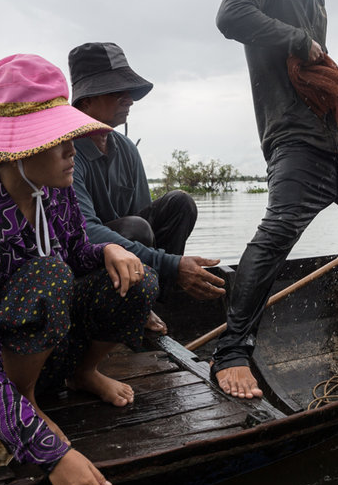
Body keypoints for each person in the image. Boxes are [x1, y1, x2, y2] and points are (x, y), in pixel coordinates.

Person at [0, 54, 157, 485]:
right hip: (4, 373)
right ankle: (27, 403)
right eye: (58, 142)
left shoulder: (57, 193)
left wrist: (108, 250)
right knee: (49, 276)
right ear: (19, 151)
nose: (73, 150)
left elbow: (76, 251)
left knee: (140, 280)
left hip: (57, 344)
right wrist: (52, 458)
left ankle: (82, 372)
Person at [212, 0, 338, 398]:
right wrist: (294, 37)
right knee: (278, 234)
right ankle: (231, 350)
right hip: (292, 138)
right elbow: (230, 16)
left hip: (334, 137)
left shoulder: (317, 1)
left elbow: (316, 67)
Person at [68, 41, 226, 305]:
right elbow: (86, 232)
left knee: (180, 203)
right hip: (90, 261)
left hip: (132, 262)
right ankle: (139, 302)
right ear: (86, 101)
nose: (129, 99)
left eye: (127, 91)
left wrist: (167, 264)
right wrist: (172, 263)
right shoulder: (67, 154)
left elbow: (147, 228)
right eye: (117, 92)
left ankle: (155, 300)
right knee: (135, 228)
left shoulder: (127, 149)